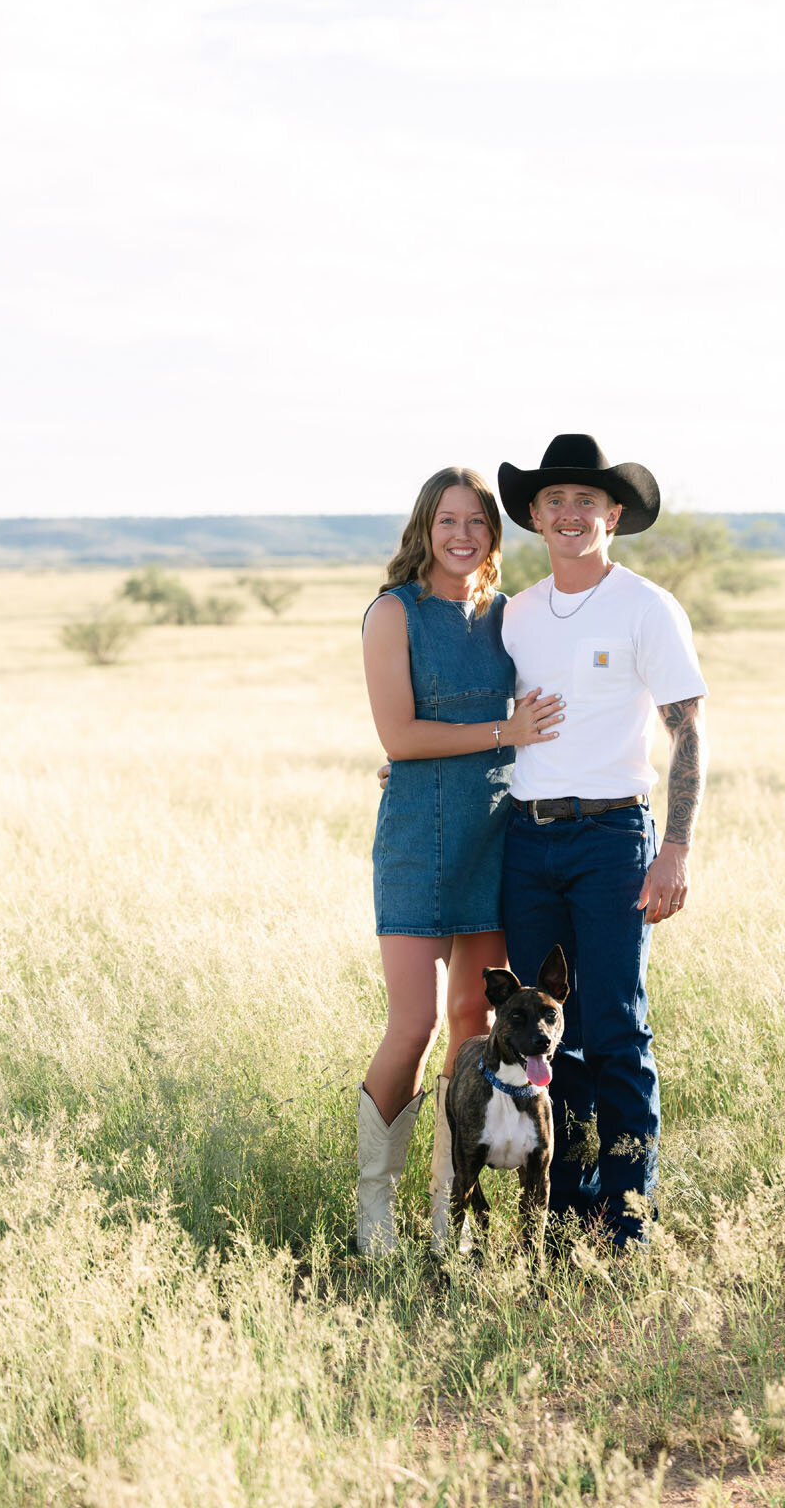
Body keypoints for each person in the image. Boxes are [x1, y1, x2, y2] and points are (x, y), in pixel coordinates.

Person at [496, 433, 708, 1247]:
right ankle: (564, 1207)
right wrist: (405, 766)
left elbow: (688, 733)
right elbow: (486, 721)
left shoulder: (646, 606)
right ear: (535, 518)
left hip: (613, 838)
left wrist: (676, 849)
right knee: (548, 1033)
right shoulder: (516, 615)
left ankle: (628, 1217)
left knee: (615, 1027)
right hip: (528, 841)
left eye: (587, 500)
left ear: (613, 514)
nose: (571, 513)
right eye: (555, 500)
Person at [357, 466, 563, 1255]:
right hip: (415, 839)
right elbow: (401, 739)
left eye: (476, 521)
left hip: (492, 835)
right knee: (411, 1023)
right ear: (424, 526)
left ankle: (451, 1207)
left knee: (471, 1022)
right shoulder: (391, 613)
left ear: (493, 533)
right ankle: (376, 1207)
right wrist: (500, 734)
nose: (462, 534)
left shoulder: (507, 615)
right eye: (448, 520)